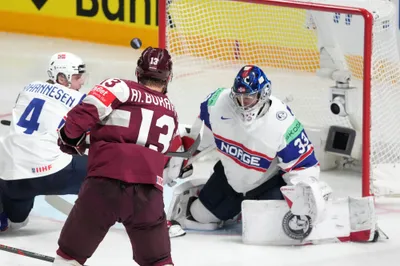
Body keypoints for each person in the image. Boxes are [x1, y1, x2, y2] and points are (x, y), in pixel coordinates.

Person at [166, 64, 332, 233]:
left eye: (249, 97)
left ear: (264, 94)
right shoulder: (216, 104)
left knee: (266, 228)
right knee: (199, 216)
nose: (243, 103)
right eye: (239, 97)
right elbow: (199, 139)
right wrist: (180, 160)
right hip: (230, 177)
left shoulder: (283, 123)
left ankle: (319, 191)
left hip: (268, 184)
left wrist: (304, 198)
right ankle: (230, 208)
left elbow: (303, 164)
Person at [52, 47, 178, 266]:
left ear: (138, 72)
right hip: (148, 194)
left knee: (70, 254)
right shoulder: (171, 112)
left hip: (104, 185)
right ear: (168, 78)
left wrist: (68, 138)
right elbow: (161, 153)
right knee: (159, 261)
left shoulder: (120, 87)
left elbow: (79, 119)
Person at [0, 52, 88, 232]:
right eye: (77, 77)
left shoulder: (29, 87)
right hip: (51, 173)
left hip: (12, 177)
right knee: (104, 169)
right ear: (62, 78)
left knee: (17, 221)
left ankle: (4, 214)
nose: (82, 82)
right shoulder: (79, 100)